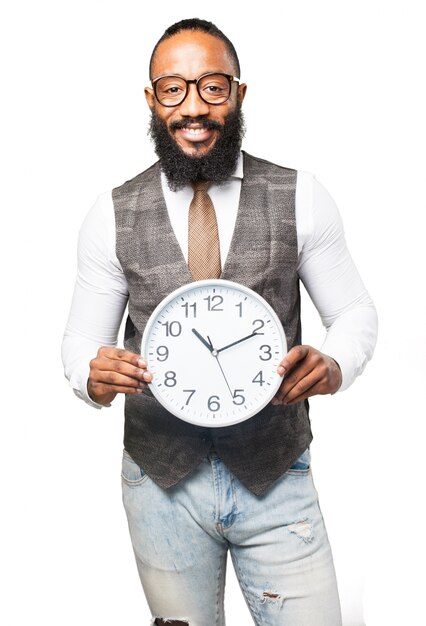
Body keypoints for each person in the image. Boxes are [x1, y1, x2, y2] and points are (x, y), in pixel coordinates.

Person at [62, 17, 378, 626]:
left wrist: (335, 364)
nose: (193, 108)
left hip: (276, 473)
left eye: (212, 86)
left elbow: (355, 312)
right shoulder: (110, 213)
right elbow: (81, 343)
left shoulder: (301, 195)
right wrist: (91, 376)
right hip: (160, 484)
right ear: (153, 101)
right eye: (173, 89)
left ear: (238, 94)